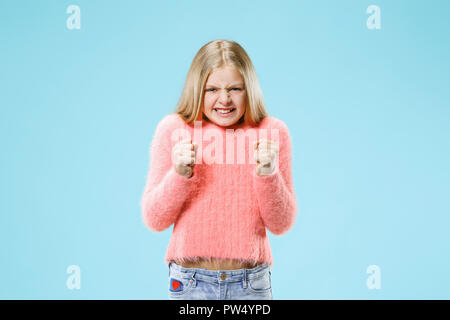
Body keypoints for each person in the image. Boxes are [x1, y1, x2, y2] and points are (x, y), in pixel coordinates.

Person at [140, 39, 298, 300]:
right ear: (196, 89)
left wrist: (268, 173)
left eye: (235, 88)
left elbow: (281, 224)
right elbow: (155, 219)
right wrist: (179, 174)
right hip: (190, 283)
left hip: (251, 283)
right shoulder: (173, 129)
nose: (224, 99)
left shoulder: (272, 132)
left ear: (249, 89)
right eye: (211, 89)